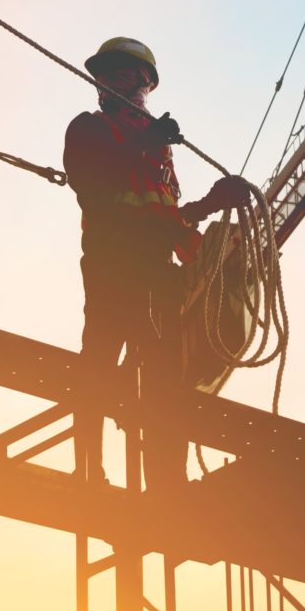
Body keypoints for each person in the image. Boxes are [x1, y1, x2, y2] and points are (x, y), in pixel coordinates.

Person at [62, 36, 249, 488]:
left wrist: (210, 204)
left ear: (147, 85)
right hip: (113, 264)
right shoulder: (91, 128)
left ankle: (168, 486)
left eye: (133, 76)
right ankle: (89, 473)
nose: (125, 83)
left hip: (156, 272)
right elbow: (91, 183)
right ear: (101, 84)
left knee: (166, 381)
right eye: (115, 75)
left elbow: (163, 217)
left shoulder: (159, 153)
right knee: (101, 362)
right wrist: (146, 141)